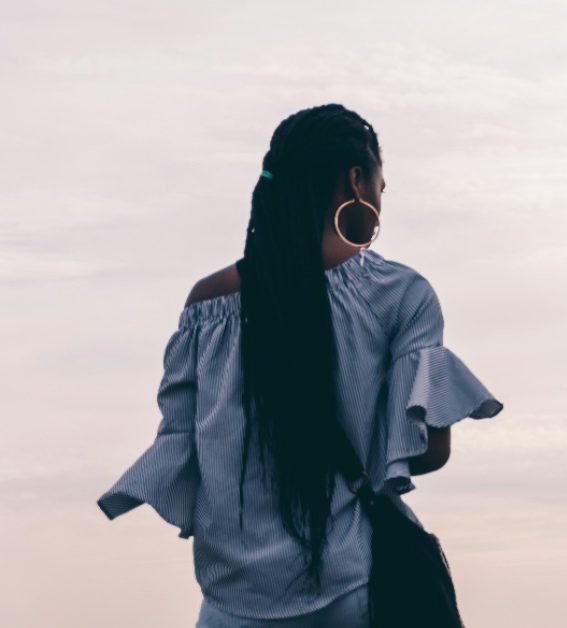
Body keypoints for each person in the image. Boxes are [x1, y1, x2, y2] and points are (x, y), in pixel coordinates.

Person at [96, 103, 505, 627]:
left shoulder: (206, 306)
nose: (382, 197)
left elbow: (185, 451)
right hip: (348, 586)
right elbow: (426, 452)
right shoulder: (400, 294)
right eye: (382, 183)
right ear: (357, 180)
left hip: (230, 600)